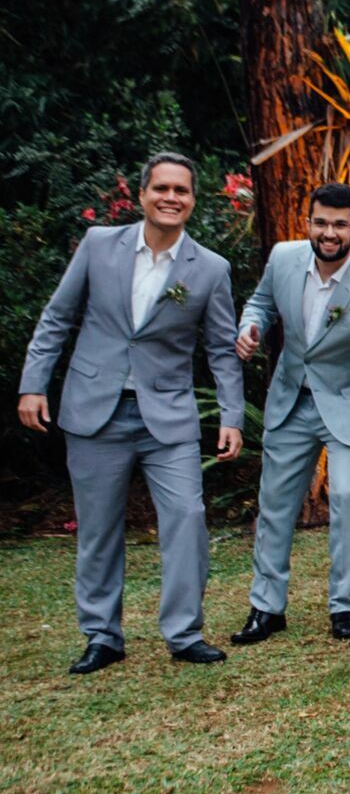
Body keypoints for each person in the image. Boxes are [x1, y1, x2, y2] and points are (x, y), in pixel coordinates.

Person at [18, 152, 244, 673]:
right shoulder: (100, 246)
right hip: (94, 411)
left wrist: (231, 415)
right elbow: (57, 318)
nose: (171, 198)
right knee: (98, 529)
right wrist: (34, 384)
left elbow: (220, 350)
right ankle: (102, 635)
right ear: (142, 194)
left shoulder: (209, 269)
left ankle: (185, 633)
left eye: (181, 191)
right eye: (161, 188)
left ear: (192, 200)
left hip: (167, 416)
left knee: (187, 519)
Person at [230, 184, 350, 644]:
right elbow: (260, 303)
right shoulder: (283, 258)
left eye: (340, 224)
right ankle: (266, 608)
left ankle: (344, 608)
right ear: (308, 223)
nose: (329, 232)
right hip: (291, 400)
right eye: (321, 222)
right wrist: (250, 326)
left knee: (344, 497)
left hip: (349, 404)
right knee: (276, 505)